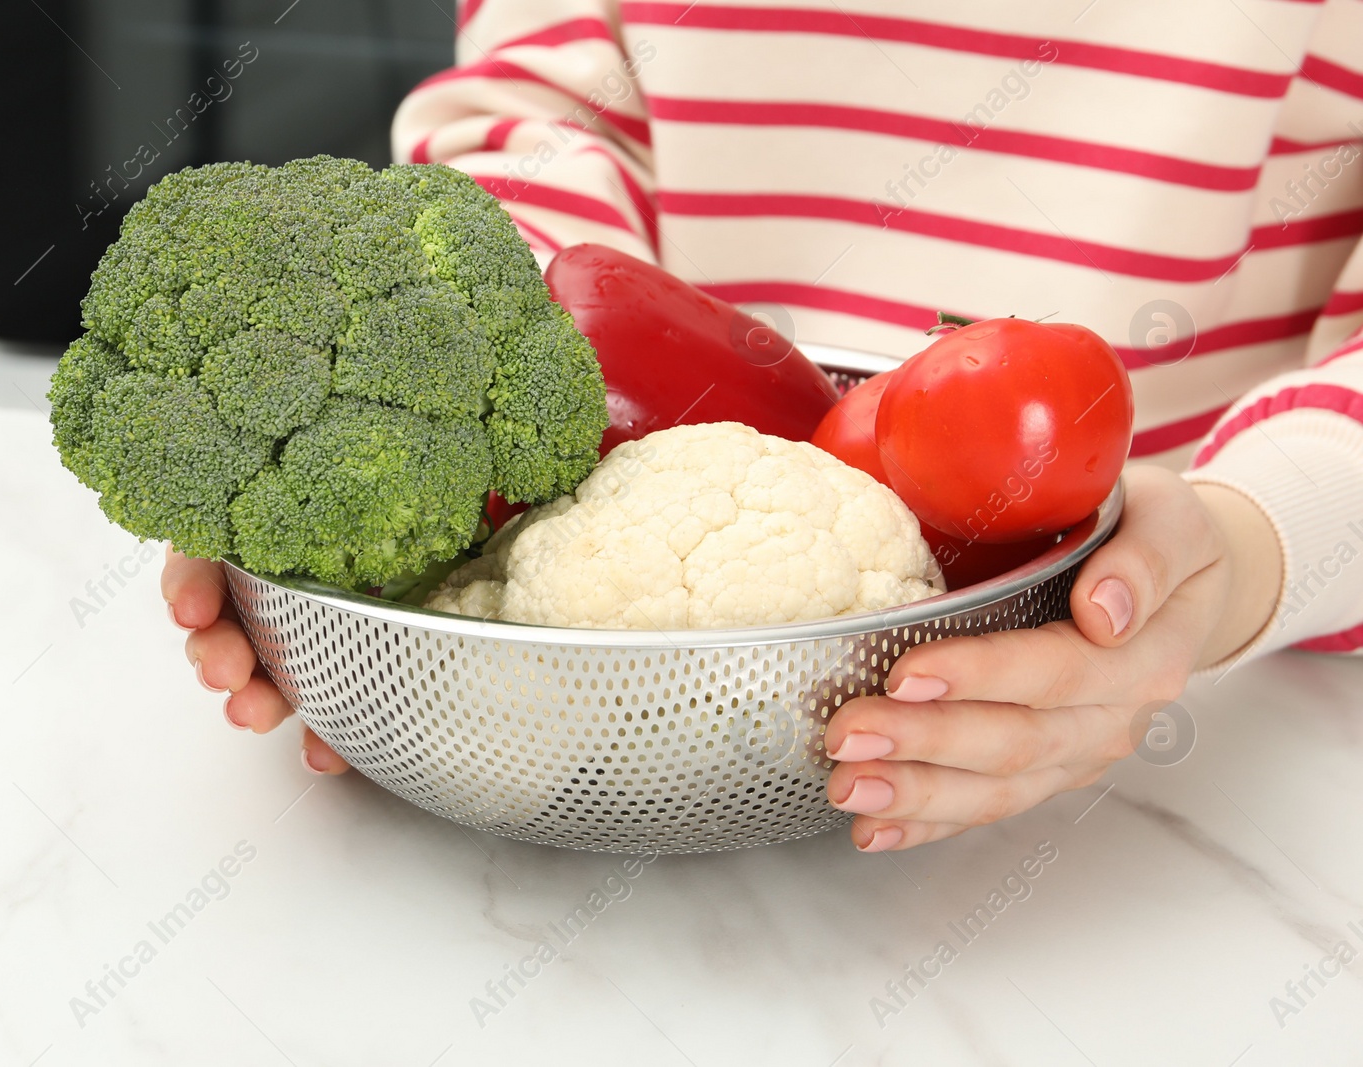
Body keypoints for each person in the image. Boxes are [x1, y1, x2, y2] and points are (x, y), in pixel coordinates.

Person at [163, 0, 1363, 852]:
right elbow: (539, 108)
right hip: (621, 516)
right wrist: (404, 419)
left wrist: (1242, 554)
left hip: (1222, 730)